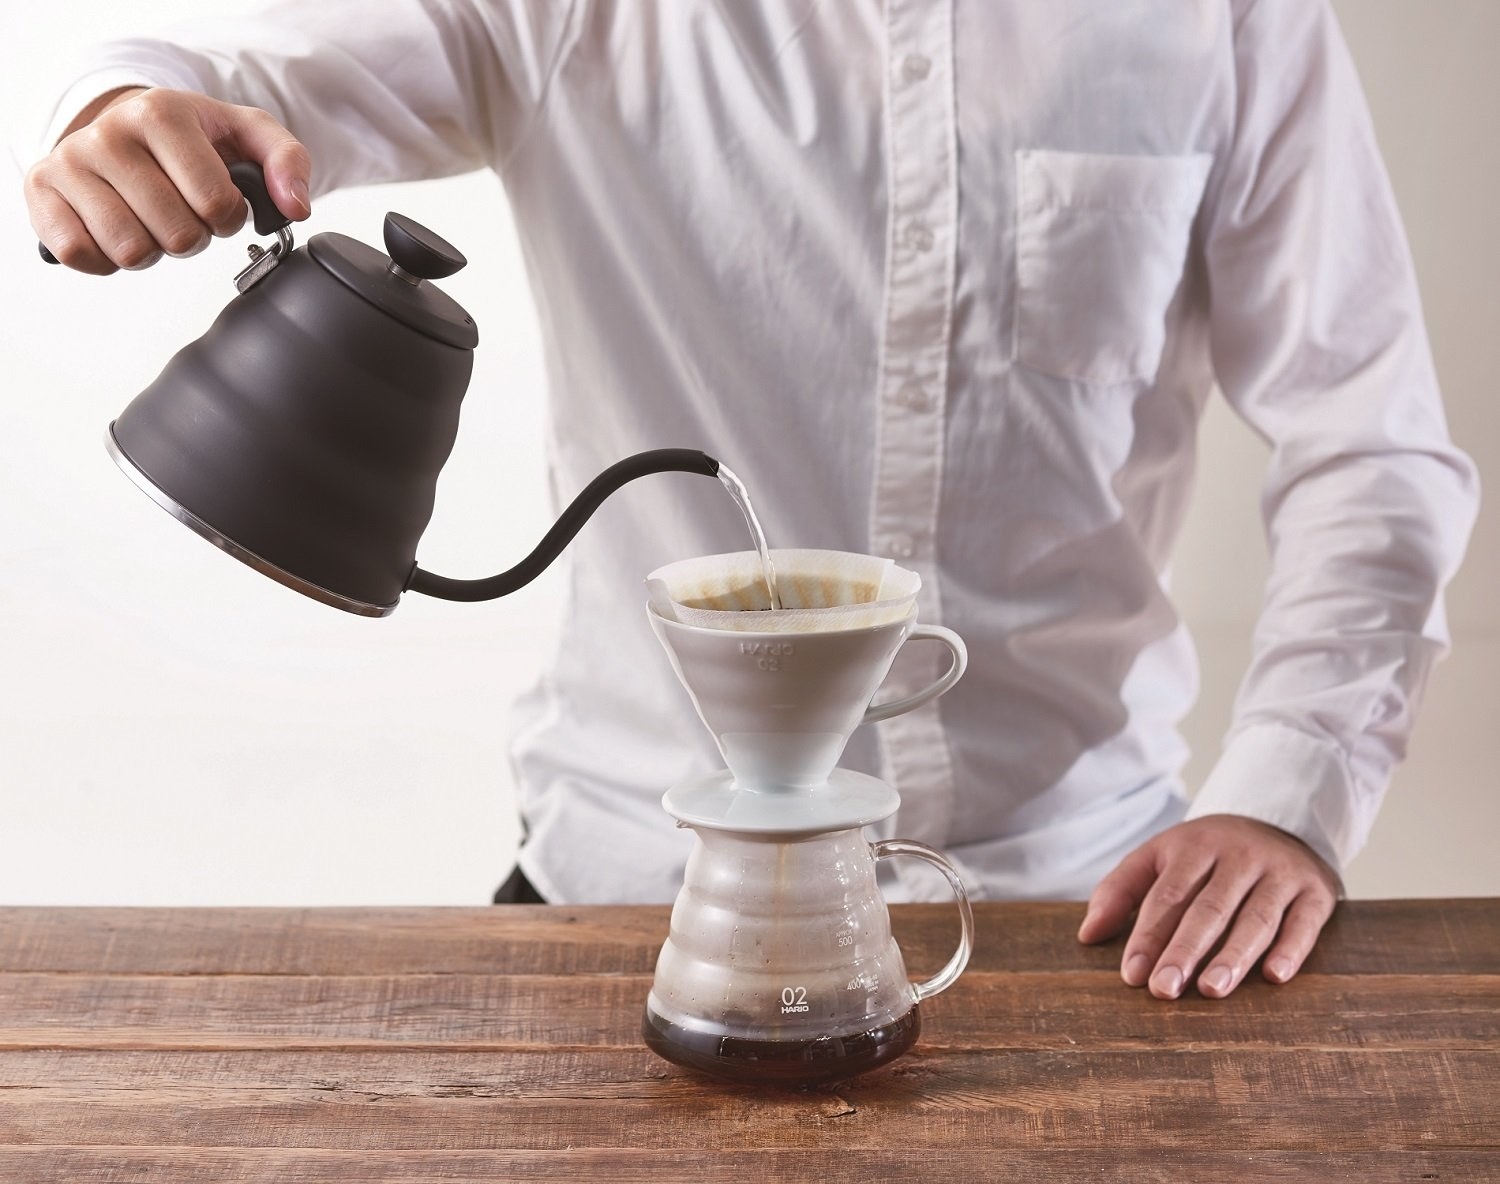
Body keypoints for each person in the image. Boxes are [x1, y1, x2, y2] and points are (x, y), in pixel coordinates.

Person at [23, 0, 1478, 1003]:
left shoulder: (1226, 16)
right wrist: (127, 116)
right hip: (625, 898)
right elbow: (244, 74)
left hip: (1083, 904)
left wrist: (1290, 794)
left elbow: (1370, 439)